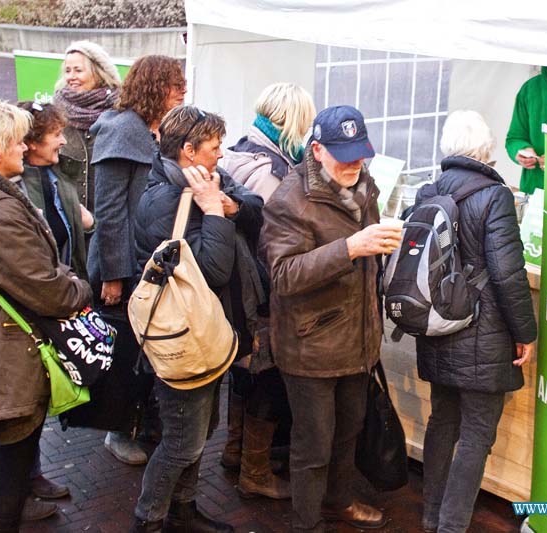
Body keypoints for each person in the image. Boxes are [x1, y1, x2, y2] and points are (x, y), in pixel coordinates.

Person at [0, 98, 91, 532]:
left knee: (4, 463)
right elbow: (46, 288)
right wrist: (80, 286)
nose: (22, 148)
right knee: (10, 475)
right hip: (7, 354)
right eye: (16, 141)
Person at [262, 105, 401, 532]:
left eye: (361, 152)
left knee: (348, 435)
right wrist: (350, 249)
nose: (355, 163)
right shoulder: (290, 199)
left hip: (357, 341)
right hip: (310, 345)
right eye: (345, 154)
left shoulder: (366, 186)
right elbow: (283, 275)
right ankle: (305, 522)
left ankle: (338, 503)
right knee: (313, 446)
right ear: (317, 150)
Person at [132, 104, 263, 532]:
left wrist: (226, 204)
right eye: (214, 146)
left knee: (201, 433)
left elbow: (254, 205)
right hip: (182, 338)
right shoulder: (165, 201)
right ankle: (148, 520)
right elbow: (212, 270)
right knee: (180, 443)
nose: (221, 154)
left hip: (209, 333)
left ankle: (183, 512)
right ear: (188, 150)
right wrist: (211, 210)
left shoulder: (206, 181)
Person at [418, 110, 538, 533]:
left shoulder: (427, 191)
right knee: (475, 435)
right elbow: (507, 273)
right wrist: (525, 333)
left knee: (442, 421)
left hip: (437, 326)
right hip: (483, 334)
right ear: (485, 149)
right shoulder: (495, 195)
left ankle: (432, 515)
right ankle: (452, 526)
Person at [219, 82, 316, 499]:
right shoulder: (271, 173)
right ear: (292, 123)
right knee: (266, 378)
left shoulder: (238, 150)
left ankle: (235, 449)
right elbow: (282, 238)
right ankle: (255, 471)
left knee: (244, 373)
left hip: (238, 289)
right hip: (263, 292)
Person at [88, 55, 186, 465]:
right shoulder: (122, 131)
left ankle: (138, 423)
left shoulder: (144, 129)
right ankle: (117, 430)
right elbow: (109, 210)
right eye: (175, 86)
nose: (182, 91)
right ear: (155, 87)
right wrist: (114, 275)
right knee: (124, 352)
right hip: (121, 267)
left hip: (140, 261)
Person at [18, 101, 93, 279]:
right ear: (32, 143)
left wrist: (89, 226)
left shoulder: (62, 177)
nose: (64, 141)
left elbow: (71, 246)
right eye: (57, 134)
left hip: (69, 290)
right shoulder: (16, 187)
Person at [53, 40, 122, 214]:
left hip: (108, 215)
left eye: (78, 70)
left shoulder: (119, 111)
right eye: (68, 71)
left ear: (98, 73)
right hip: (69, 217)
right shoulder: (57, 113)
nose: (71, 77)